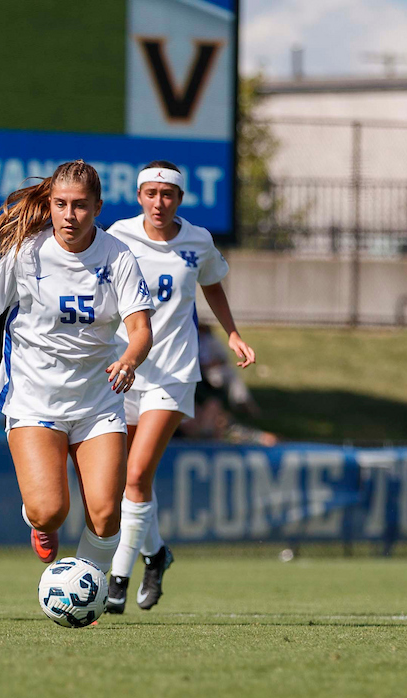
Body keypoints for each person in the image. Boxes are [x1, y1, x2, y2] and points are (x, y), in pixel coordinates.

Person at [0, 161, 153, 576]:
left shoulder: (118, 256)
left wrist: (128, 359)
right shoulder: (27, 253)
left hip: (97, 400)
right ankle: (38, 520)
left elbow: (141, 329)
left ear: (98, 207)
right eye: (60, 204)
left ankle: (86, 586)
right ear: (50, 205)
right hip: (35, 397)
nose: (69, 216)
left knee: (108, 514)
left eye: (80, 206)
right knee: (49, 511)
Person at [103, 162, 256, 613]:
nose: (158, 202)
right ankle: (156, 554)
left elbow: (213, 285)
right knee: (126, 483)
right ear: (139, 196)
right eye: (150, 193)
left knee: (135, 475)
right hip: (124, 371)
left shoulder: (198, 240)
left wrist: (232, 333)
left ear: (180, 199)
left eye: (167, 195)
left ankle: (117, 581)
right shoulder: (118, 236)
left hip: (172, 372)